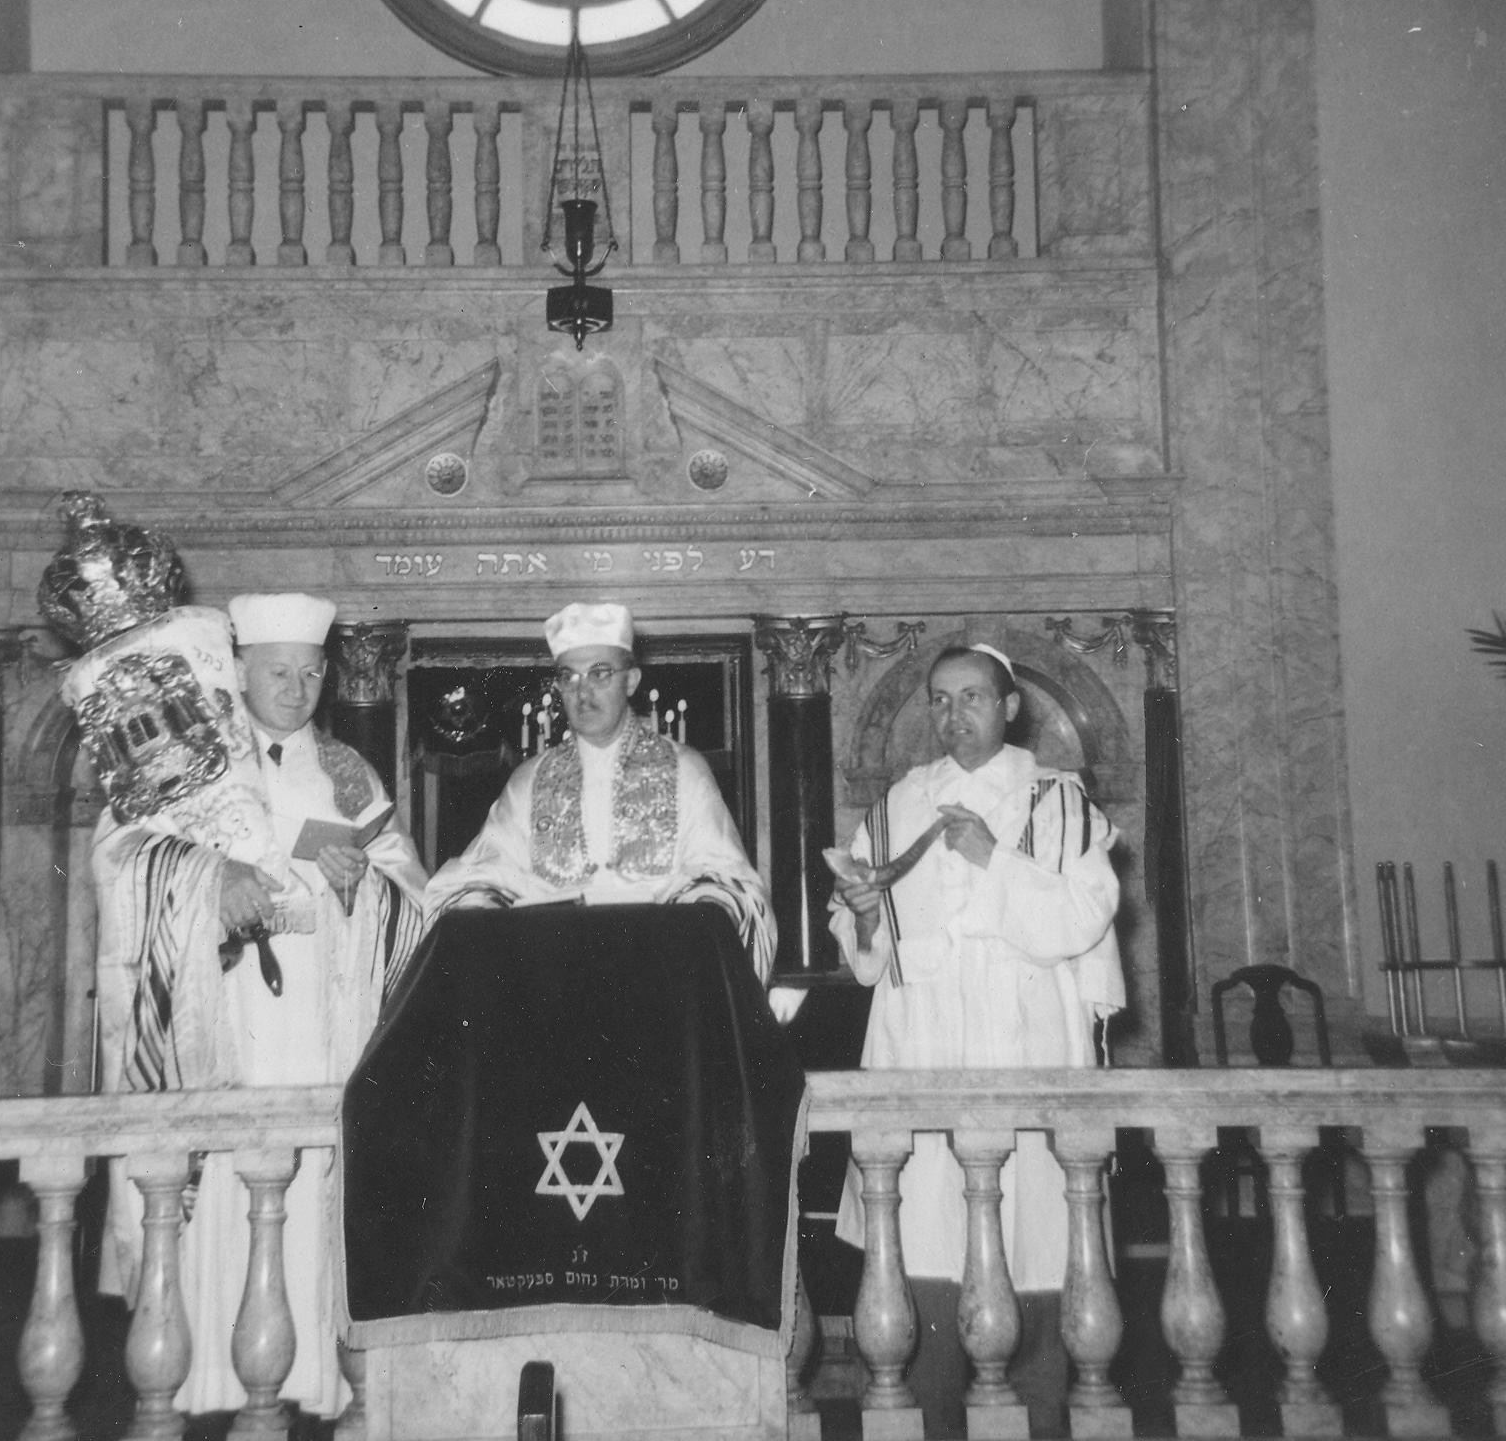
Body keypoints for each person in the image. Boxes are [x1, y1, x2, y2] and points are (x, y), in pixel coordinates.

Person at [92, 591, 426, 1421]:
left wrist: (367, 888)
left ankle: (310, 1384)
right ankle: (197, 1385)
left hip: (318, 1026)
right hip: (219, 1026)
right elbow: (117, 857)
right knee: (214, 1203)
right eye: (280, 671)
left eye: (312, 672)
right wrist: (210, 879)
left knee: (307, 1196)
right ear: (239, 671)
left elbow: (414, 895)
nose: (298, 687)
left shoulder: (349, 773)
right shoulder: (186, 757)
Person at [829, 643, 1125, 1438]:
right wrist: (861, 910)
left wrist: (994, 860)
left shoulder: (1057, 802)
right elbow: (867, 949)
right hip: (923, 1046)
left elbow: (1081, 917)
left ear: (1009, 706)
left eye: (972, 698)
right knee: (922, 1251)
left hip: (1025, 1043)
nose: (954, 716)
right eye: (940, 700)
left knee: (1035, 1252)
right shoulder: (898, 805)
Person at [424, 601, 776, 980]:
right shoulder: (529, 780)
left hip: (658, 972)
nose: (583, 692)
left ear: (632, 680)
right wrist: (479, 905)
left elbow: (722, 873)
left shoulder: (684, 770)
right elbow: (489, 869)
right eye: (569, 677)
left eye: (600, 673)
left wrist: (704, 905)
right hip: (552, 973)